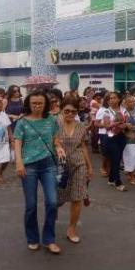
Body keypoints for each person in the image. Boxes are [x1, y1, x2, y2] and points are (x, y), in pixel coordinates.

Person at [14, 90, 66, 254]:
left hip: (48, 165)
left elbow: (55, 139)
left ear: (45, 104)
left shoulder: (52, 120)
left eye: (40, 103)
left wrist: (58, 147)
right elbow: (17, 143)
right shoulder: (22, 122)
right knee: (31, 205)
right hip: (29, 166)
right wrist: (19, 163)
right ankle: (32, 238)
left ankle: (49, 239)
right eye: (34, 103)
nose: (37, 106)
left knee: (52, 202)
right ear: (28, 104)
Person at [57, 97, 94, 244]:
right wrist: (57, 147)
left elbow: (84, 147)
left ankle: (72, 228)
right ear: (62, 110)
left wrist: (89, 166)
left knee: (77, 198)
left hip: (79, 165)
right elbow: (51, 142)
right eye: (67, 111)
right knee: (57, 198)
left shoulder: (81, 127)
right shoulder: (55, 125)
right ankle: (51, 217)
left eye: (73, 111)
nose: (70, 114)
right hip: (60, 167)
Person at [102, 92, 129, 191]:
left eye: (114, 98)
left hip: (121, 137)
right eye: (110, 98)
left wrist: (124, 125)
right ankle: (118, 183)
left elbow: (127, 123)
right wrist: (116, 123)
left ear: (119, 99)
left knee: (116, 159)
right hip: (111, 137)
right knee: (116, 159)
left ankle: (111, 179)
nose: (112, 100)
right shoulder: (106, 111)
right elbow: (106, 126)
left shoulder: (124, 110)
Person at [94, 93, 110, 177]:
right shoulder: (102, 110)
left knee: (110, 153)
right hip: (103, 133)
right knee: (105, 153)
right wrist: (106, 125)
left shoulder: (113, 109)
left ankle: (108, 168)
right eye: (110, 99)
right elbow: (96, 124)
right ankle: (103, 167)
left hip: (112, 133)